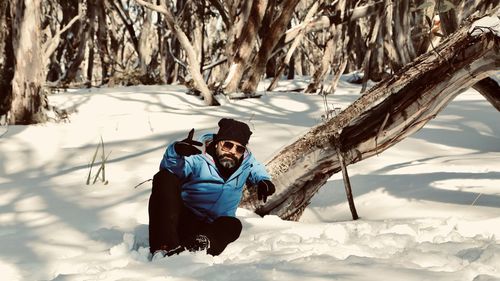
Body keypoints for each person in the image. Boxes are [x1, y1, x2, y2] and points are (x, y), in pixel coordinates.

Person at [149, 118, 275, 257]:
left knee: (233, 224)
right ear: (217, 144)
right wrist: (175, 152)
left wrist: (264, 180)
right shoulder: (198, 157)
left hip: (212, 227)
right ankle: (165, 247)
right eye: (227, 145)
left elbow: (255, 167)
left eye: (239, 148)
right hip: (183, 219)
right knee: (164, 178)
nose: (233, 151)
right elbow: (171, 170)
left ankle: (200, 246)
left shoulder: (245, 162)